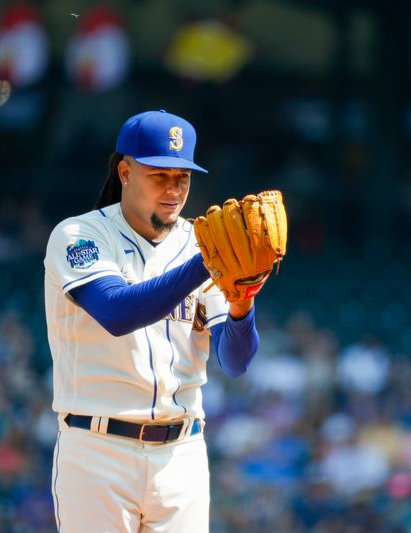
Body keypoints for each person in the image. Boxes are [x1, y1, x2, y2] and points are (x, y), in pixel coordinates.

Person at [43, 110, 260, 532]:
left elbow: (235, 362)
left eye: (183, 177)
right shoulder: (80, 236)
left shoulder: (201, 242)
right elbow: (117, 312)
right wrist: (209, 262)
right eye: (160, 175)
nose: (174, 189)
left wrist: (242, 306)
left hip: (182, 456)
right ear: (125, 172)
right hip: (97, 451)